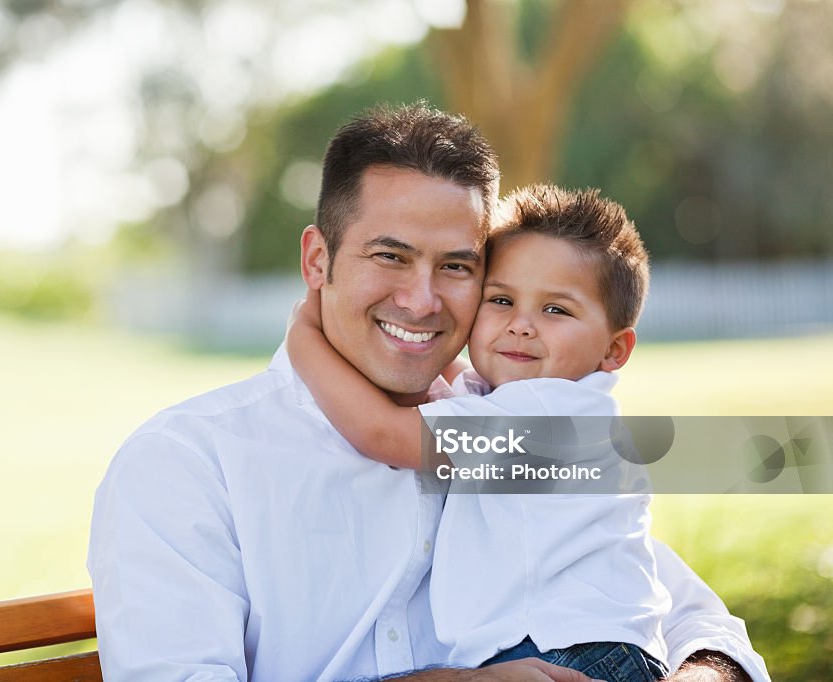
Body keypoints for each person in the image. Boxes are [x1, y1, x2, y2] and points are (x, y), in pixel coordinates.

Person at [87, 103, 769, 681]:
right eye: (390, 256)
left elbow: (694, 617)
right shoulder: (185, 466)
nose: (420, 300)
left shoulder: (500, 421)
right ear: (316, 261)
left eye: (456, 267)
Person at [286, 184, 669, 681]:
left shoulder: (546, 414)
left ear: (614, 350)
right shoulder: (527, 401)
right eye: (501, 300)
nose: (520, 325)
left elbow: (381, 432)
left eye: (556, 310)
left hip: (566, 652)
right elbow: (452, 380)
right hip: (585, 645)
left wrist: (305, 337)